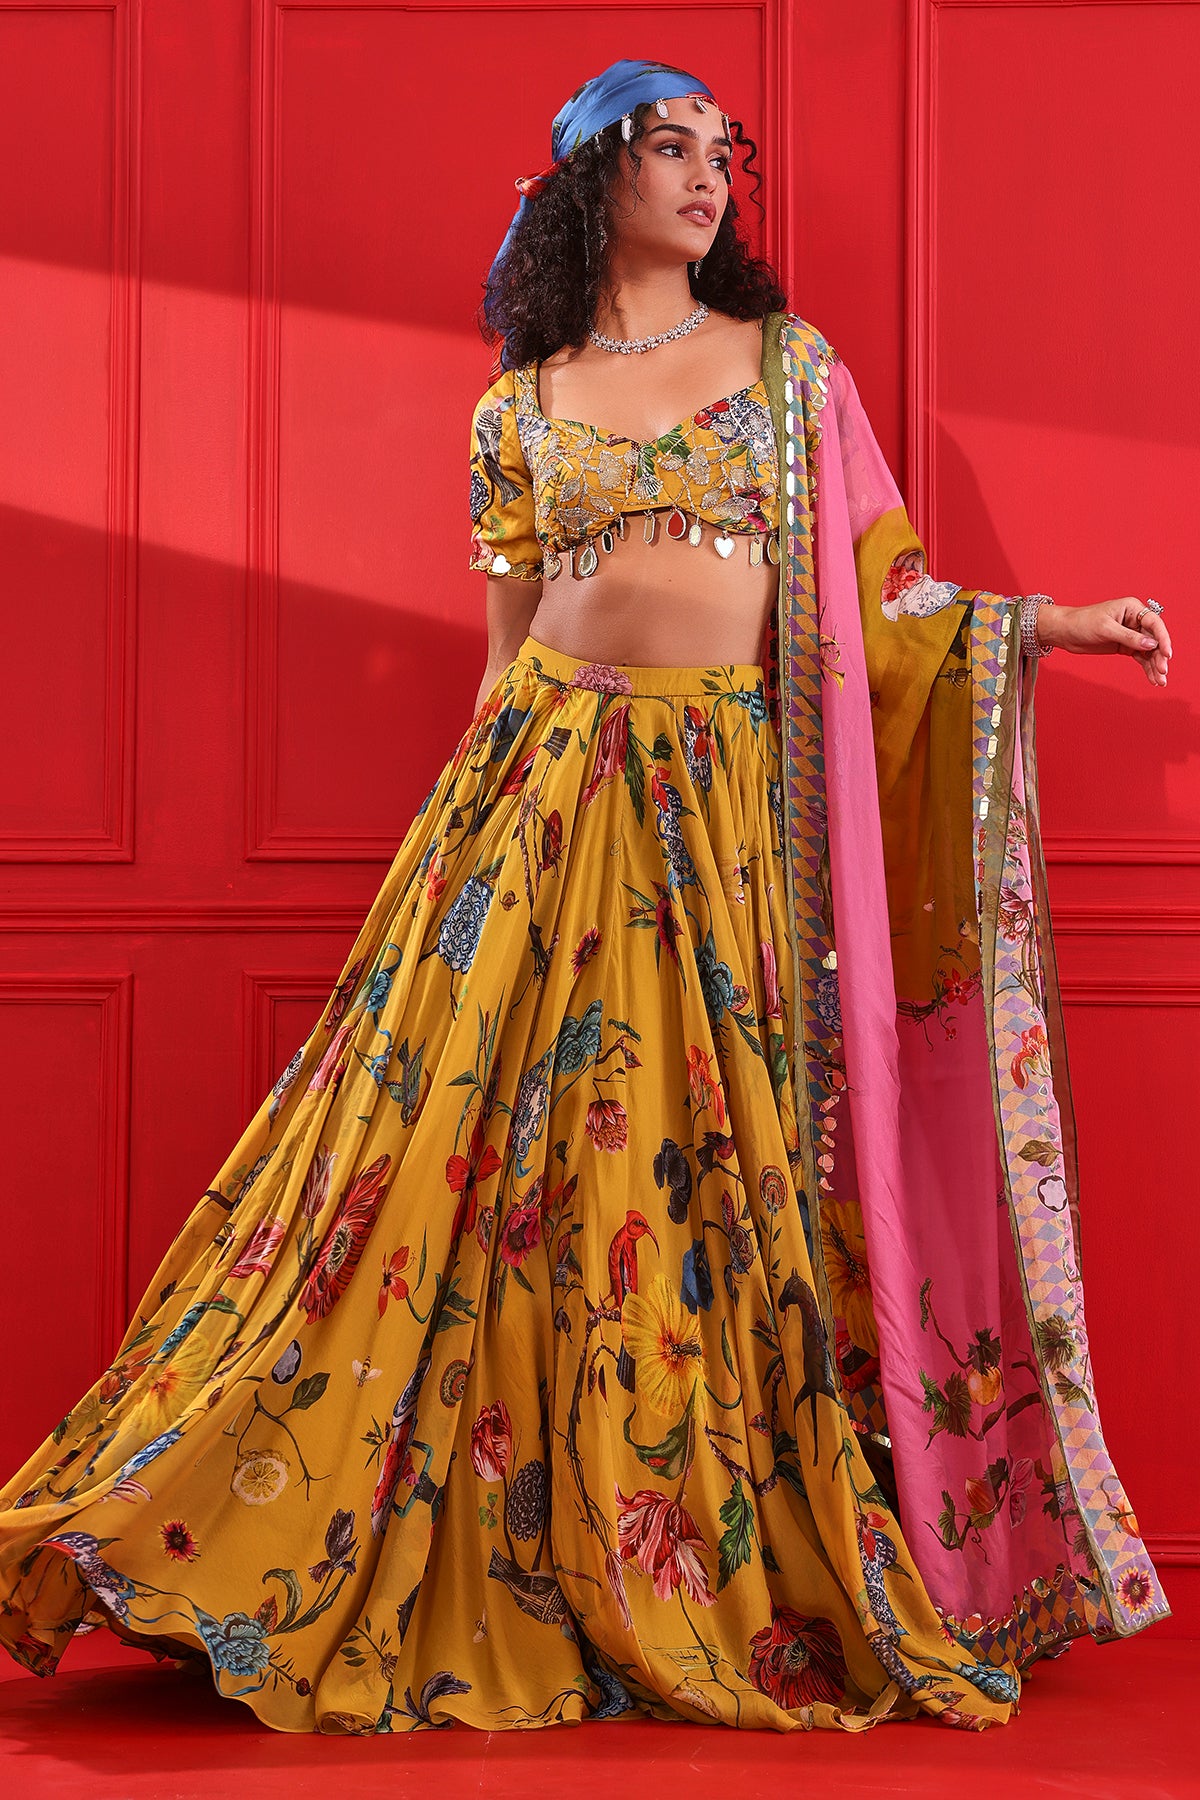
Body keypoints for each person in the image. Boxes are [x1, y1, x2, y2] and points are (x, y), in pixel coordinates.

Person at [0, 56, 1172, 1738]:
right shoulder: (519, 403)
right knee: (457, 1174)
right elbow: (506, 650)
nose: (705, 177)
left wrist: (1047, 624)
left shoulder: (788, 371)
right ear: (588, 181)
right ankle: (392, 1527)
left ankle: (670, 1537)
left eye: (720, 153)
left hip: (714, 816)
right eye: (666, 147)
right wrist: (456, 853)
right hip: (536, 794)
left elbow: (888, 601)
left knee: (683, 1165)